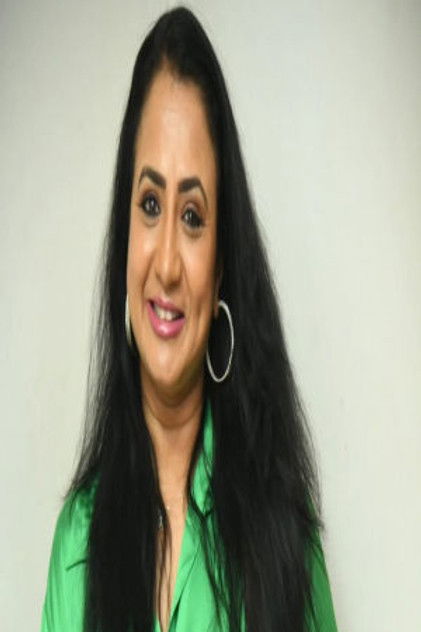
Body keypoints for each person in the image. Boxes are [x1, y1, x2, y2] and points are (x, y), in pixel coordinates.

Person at [40, 6, 338, 632]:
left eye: (194, 216)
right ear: (125, 235)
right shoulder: (76, 542)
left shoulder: (284, 533)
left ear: (222, 263)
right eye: (150, 204)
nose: (169, 263)